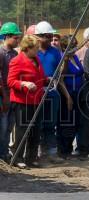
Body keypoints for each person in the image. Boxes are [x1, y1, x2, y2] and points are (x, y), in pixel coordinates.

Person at [7, 35, 48, 168]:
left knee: (35, 130)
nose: (38, 50)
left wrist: (47, 79)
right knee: (22, 130)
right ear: (27, 48)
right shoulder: (16, 61)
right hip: (22, 101)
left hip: (37, 100)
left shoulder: (37, 59)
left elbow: (39, 76)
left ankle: (31, 157)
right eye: (35, 48)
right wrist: (24, 83)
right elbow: (10, 81)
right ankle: (18, 157)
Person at [35, 21, 62, 161]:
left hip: (52, 92)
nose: (51, 39)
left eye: (51, 36)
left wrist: (55, 78)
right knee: (37, 123)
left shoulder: (55, 52)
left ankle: (51, 152)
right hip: (36, 93)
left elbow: (59, 71)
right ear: (40, 37)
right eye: (48, 36)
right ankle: (38, 152)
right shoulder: (33, 52)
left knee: (51, 123)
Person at [56, 35, 83, 159]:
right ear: (64, 47)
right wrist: (68, 97)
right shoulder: (63, 58)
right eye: (71, 46)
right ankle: (63, 150)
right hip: (67, 94)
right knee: (66, 122)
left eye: (74, 45)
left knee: (75, 123)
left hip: (77, 93)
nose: (74, 48)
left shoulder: (75, 57)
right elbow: (60, 79)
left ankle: (69, 148)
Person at [0, 22, 22, 162]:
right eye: (15, 37)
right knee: (2, 127)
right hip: (3, 96)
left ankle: (4, 153)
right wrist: (5, 97)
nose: (17, 40)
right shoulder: (1, 53)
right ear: (7, 36)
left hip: (13, 95)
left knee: (9, 127)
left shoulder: (14, 54)